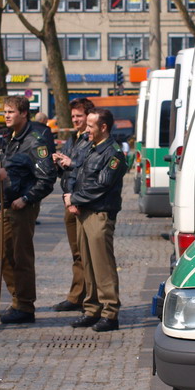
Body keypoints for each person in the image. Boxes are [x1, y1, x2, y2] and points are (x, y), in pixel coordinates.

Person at [0, 94, 58, 324]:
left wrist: (26, 199)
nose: (6, 116)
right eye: (5, 112)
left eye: (11, 112)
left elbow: (47, 178)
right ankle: (18, 299)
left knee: (20, 256)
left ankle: (24, 305)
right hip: (6, 204)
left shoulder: (34, 141)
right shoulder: (9, 138)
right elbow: (4, 172)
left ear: (23, 113)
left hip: (21, 207)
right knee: (4, 255)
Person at [65, 108, 127, 332]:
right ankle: (92, 309)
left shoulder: (113, 153)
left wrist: (74, 197)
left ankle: (110, 313)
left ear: (103, 127)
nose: (86, 129)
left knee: (102, 265)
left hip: (99, 213)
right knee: (88, 263)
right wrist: (73, 198)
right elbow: (78, 173)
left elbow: (101, 185)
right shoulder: (90, 148)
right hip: (84, 211)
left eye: (91, 126)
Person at [51, 98, 94, 312]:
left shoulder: (93, 139)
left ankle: (88, 297)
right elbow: (68, 170)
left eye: (80, 116)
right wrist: (58, 163)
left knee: (87, 253)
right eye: (74, 116)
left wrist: (71, 163)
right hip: (69, 200)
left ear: (89, 116)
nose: (76, 120)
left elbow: (90, 168)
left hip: (83, 202)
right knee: (76, 253)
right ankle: (77, 295)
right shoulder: (73, 138)